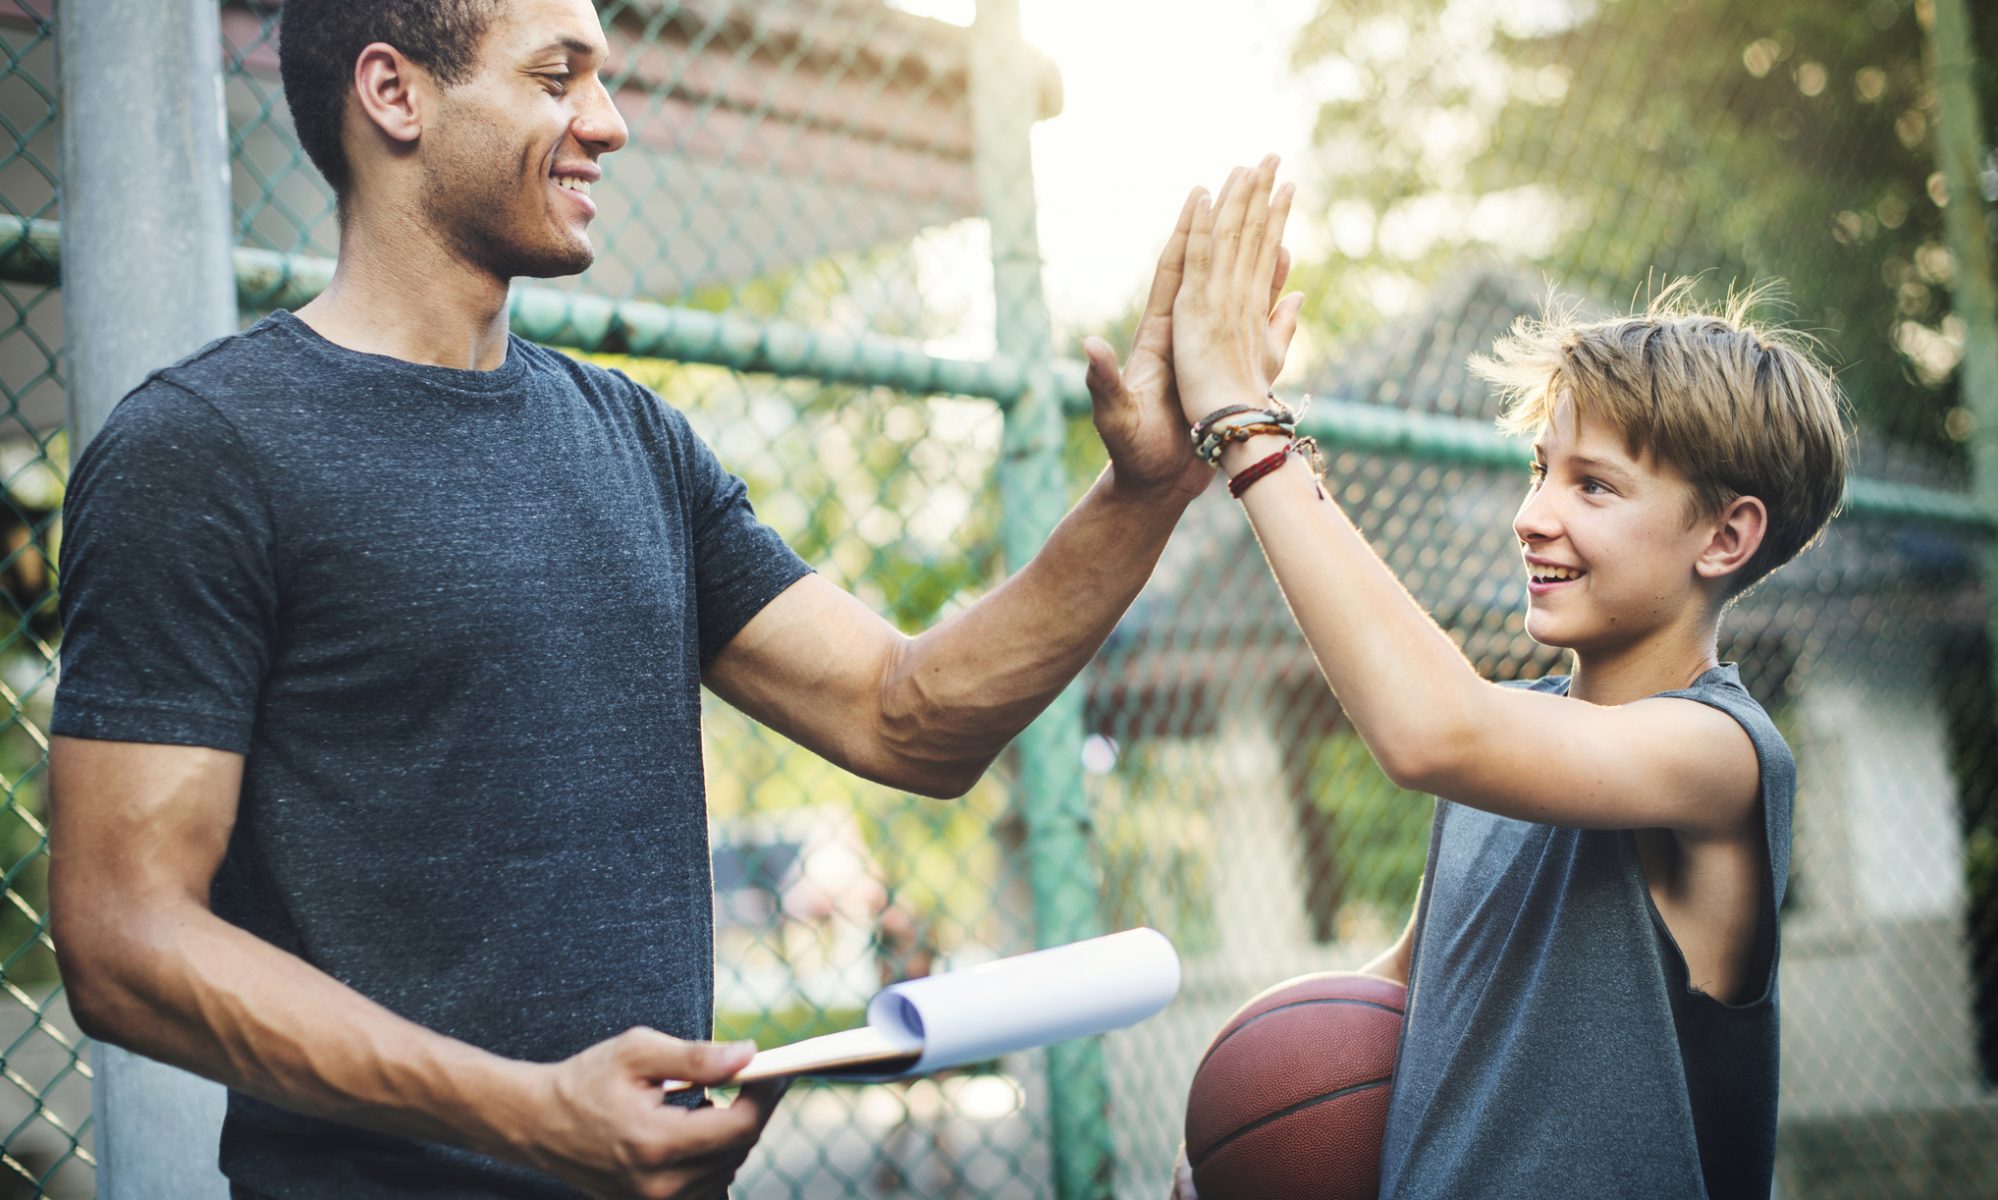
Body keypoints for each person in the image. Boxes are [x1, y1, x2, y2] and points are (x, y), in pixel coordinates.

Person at [45, 3, 1299, 1198]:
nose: (609, 120)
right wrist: (526, 1111)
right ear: (395, 93)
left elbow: (906, 717)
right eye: (556, 76)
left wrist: (1144, 494)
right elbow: (124, 935)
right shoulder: (203, 450)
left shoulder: (634, 440)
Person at [1166, 160, 1848, 1198]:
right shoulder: (1507, 753)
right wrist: (1245, 1135)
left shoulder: (1720, 757)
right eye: (1540, 470)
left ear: (1725, 534)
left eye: (1594, 485)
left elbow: (1438, 730)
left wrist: (1247, 425)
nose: (1534, 513)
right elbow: (1405, 994)